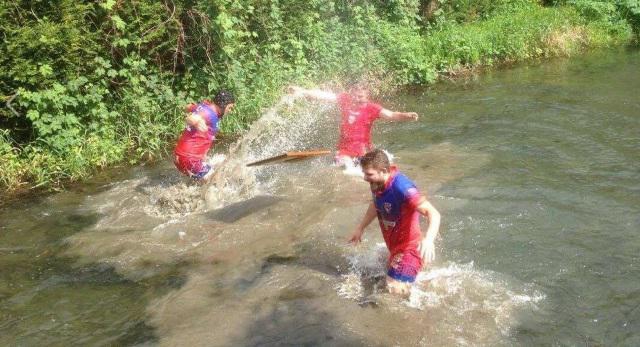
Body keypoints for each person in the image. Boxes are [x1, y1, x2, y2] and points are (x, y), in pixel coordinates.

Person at [348, 149, 441, 297]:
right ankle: (424, 281)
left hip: (410, 249)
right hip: (395, 248)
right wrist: (361, 227)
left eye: (369, 174)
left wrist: (429, 240)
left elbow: (434, 213)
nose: (365, 178)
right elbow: (375, 204)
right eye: (364, 173)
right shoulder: (377, 183)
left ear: (383, 170)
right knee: (383, 275)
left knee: (393, 289)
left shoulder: (402, 187)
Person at [288, 84, 419, 166]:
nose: (357, 99)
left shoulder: (372, 108)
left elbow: (391, 115)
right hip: (343, 150)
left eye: (361, 97)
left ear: (367, 97)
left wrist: (405, 115)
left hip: (363, 152)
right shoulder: (345, 100)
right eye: (355, 96)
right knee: (340, 170)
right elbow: (324, 96)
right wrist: (302, 91)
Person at [174, 90, 235, 181]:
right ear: (223, 104)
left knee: (221, 161)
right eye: (230, 107)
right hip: (189, 160)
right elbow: (191, 118)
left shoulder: (204, 107)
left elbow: (187, 107)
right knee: (218, 181)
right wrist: (197, 121)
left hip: (180, 157)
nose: (230, 111)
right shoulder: (209, 113)